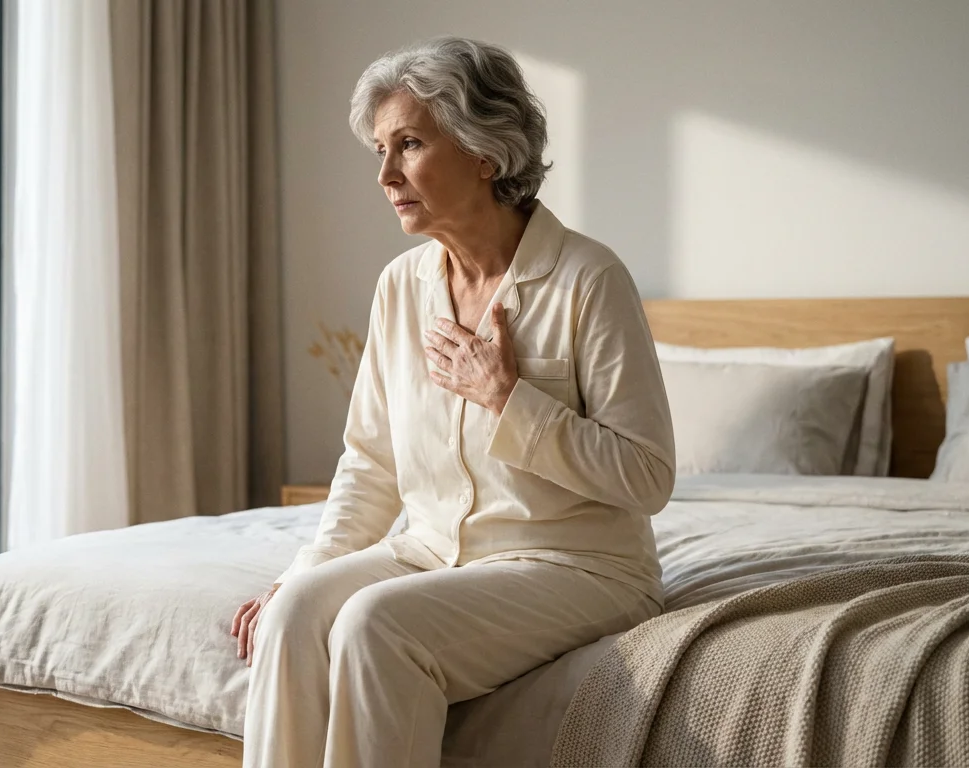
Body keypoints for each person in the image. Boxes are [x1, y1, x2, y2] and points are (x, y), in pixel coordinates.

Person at [231, 35, 676, 768]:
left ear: (485, 152)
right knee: (295, 613)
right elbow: (370, 462)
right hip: (432, 549)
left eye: (408, 144)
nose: (384, 173)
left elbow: (647, 477)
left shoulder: (590, 280)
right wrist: (306, 568)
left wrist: (509, 399)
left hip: (576, 565)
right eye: (380, 149)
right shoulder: (401, 288)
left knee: (375, 624)